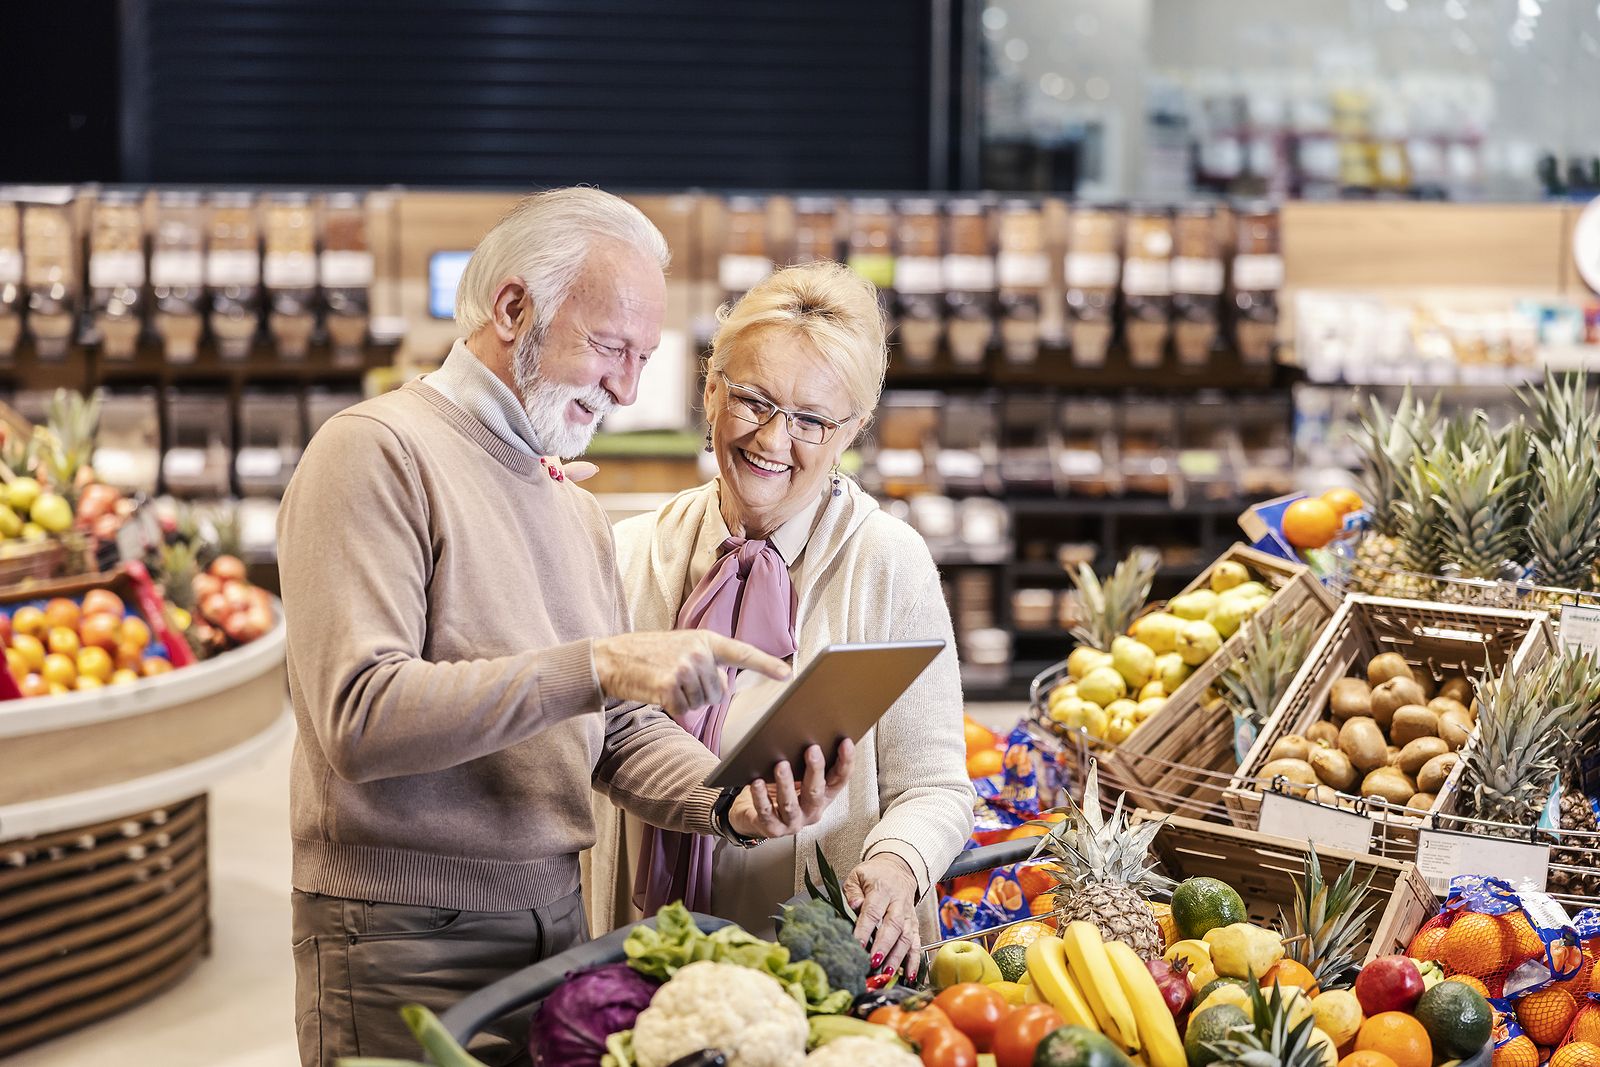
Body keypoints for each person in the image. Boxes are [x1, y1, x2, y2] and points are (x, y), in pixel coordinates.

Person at [276, 189, 854, 1067]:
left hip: (558, 925)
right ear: (514, 310)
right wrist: (599, 664)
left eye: (644, 357)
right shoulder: (375, 452)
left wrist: (730, 798)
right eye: (611, 347)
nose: (626, 387)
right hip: (403, 937)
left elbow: (609, 724)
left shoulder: (570, 506)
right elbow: (360, 715)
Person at [586, 261, 973, 978]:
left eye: (811, 420)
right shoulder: (629, 552)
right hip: (642, 951)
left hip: (822, 964)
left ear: (852, 429)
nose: (772, 438)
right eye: (754, 400)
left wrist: (896, 864)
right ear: (709, 389)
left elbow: (937, 785)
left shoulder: (889, 563)